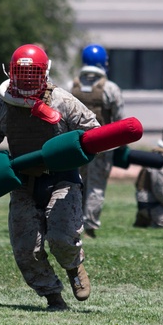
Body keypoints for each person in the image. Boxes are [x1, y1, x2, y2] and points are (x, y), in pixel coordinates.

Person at [0, 44, 100, 311]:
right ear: (11, 73)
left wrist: (74, 146)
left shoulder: (63, 101)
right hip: (23, 183)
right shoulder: (3, 107)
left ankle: (73, 265)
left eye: (33, 73)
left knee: (61, 238)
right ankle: (53, 297)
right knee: (26, 249)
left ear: (44, 73)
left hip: (62, 179)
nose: (28, 79)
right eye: (23, 74)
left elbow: (93, 131)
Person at [70, 44, 125, 238]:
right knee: (96, 186)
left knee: (76, 183)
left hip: (76, 144)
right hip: (101, 145)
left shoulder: (72, 85)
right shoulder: (110, 88)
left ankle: (75, 222)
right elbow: (119, 119)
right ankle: (90, 226)